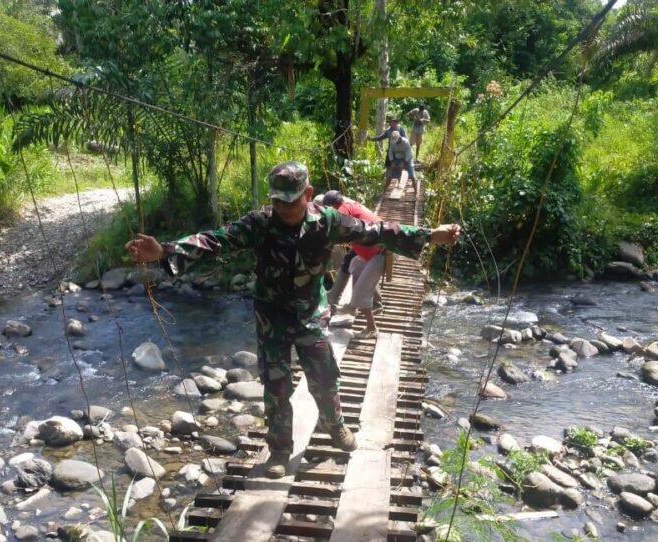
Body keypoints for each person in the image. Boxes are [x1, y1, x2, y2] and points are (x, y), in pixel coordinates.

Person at [125, 161, 461, 479]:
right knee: (276, 387)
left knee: (325, 376)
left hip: (310, 315)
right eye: (277, 200)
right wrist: (166, 250)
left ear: (308, 194)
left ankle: (334, 425)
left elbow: (377, 231)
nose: (283, 208)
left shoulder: (328, 222)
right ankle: (280, 451)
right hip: (271, 317)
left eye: (290, 201)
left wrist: (431, 235)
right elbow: (217, 240)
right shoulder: (260, 222)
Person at [320, 190, 385, 339]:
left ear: (331, 206)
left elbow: (336, 230)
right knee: (353, 264)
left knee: (360, 294)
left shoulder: (341, 210)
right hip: (368, 252)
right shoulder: (349, 204)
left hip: (377, 253)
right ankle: (351, 305)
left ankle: (372, 328)